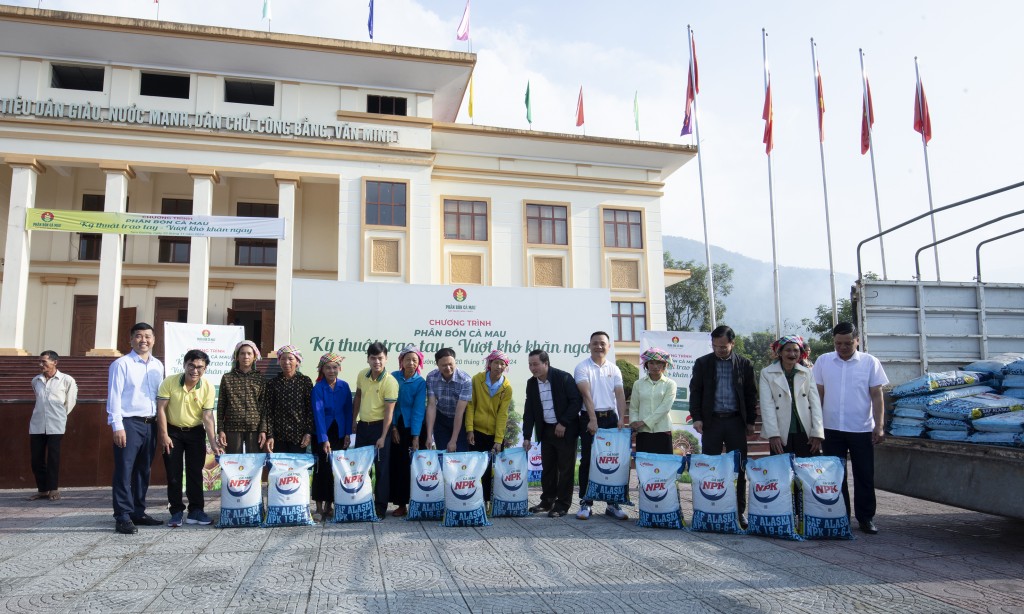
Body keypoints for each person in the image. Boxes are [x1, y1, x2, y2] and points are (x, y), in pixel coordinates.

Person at [813, 322, 889, 535]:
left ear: (857, 341)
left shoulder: (870, 362)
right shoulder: (823, 361)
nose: (843, 347)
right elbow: (817, 394)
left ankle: (866, 518)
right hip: (831, 428)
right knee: (835, 476)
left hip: (861, 428)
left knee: (864, 474)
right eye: (838, 343)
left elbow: (877, 395)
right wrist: (815, 426)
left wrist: (879, 425)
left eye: (848, 343)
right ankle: (840, 516)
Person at [689, 325, 757, 526]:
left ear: (732, 344)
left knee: (739, 468)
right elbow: (696, 392)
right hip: (712, 422)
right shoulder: (703, 363)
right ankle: (712, 508)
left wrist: (751, 421)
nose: (719, 350)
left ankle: (738, 512)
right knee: (711, 466)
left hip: (736, 422)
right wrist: (697, 417)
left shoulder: (744, 364)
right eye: (716, 346)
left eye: (724, 347)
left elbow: (751, 394)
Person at [107, 322, 165, 535]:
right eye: (139, 336)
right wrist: (117, 426)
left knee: (143, 470)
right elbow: (114, 396)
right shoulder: (121, 364)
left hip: (151, 424)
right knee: (124, 469)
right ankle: (122, 515)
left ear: (154, 339)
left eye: (148, 336)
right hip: (129, 423)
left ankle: (138, 512)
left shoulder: (158, 365)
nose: (144, 340)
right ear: (131, 340)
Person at [156, 349, 221, 527]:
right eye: (191, 365)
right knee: (174, 474)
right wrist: (163, 435)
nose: (195, 370)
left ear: (205, 368)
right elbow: (161, 409)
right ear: (184, 365)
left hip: (195, 433)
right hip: (172, 433)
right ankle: (176, 511)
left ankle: (196, 511)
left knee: (195, 473)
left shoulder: (207, 387)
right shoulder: (170, 381)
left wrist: (213, 442)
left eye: (200, 367)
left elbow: (208, 417)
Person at [574, 331, 628, 520]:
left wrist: (622, 418)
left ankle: (612, 503)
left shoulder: (614, 369)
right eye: (595, 343)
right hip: (589, 418)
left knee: (611, 460)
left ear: (608, 346)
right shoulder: (582, 367)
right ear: (589, 345)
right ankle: (585, 503)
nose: (599, 346)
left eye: (602, 343)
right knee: (588, 460)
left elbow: (620, 394)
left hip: (611, 418)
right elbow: (586, 395)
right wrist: (593, 420)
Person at [523, 350, 582, 517]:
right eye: (530, 364)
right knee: (548, 468)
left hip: (565, 430)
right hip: (546, 430)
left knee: (565, 469)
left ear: (546, 363)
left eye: (535, 364)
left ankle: (562, 504)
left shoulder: (563, 377)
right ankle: (547, 501)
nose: (532, 368)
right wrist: (527, 436)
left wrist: (563, 422)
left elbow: (576, 401)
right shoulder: (531, 383)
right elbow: (529, 411)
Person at [352, 342, 399, 519]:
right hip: (363, 426)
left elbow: (389, 413)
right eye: (373, 358)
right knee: (360, 468)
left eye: (380, 358)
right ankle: (360, 502)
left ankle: (380, 507)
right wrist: (353, 421)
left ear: (386, 359)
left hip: (381, 429)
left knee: (381, 470)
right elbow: (358, 397)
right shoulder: (361, 375)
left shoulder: (390, 382)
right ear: (368, 359)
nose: (376, 362)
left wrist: (383, 436)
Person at [759, 335, 824, 458]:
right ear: (780, 352)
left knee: (808, 472)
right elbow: (767, 405)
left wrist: (817, 432)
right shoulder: (767, 373)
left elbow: (815, 403)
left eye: (796, 350)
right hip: (781, 432)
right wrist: (773, 434)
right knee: (783, 473)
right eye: (788, 350)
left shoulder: (807, 372)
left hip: (805, 430)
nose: (792, 354)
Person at [28, 350, 78, 502]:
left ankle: (53, 489)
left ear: (55, 362)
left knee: (53, 458)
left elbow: (70, 402)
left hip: (56, 424)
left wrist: (61, 416)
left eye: (44, 361)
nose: (41, 364)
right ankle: (42, 490)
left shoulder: (66, 380)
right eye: (40, 361)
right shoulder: (35, 380)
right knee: (36, 459)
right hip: (37, 424)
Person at [466, 349, 513, 505]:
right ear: (489, 363)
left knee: (492, 471)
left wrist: (499, 439)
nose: (499, 367)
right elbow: (471, 406)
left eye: (502, 364)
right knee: (475, 468)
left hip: (494, 434)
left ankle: (488, 502)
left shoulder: (507, 387)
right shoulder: (477, 380)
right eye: (496, 363)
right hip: (477, 432)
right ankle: (473, 501)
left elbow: (502, 415)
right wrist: (470, 429)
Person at [311, 352, 353, 522]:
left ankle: (331, 505)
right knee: (322, 470)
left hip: (340, 433)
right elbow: (318, 413)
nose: (331, 371)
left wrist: (348, 433)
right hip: (323, 433)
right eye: (328, 367)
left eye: (335, 367)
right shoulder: (318, 388)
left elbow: (348, 411)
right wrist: (324, 438)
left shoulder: (344, 386)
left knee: (336, 470)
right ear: (322, 369)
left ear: (339, 369)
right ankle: (319, 507)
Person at [389, 344, 426, 518]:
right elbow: (391, 404)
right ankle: (401, 504)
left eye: (414, 360)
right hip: (397, 426)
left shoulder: (420, 382)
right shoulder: (393, 377)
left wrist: (416, 437)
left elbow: (419, 410)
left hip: (414, 428)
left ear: (418, 362)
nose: (411, 363)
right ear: (401, 361)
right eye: (407, 359)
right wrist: (394, 427)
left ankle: (419, 502)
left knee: (415, 467)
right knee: (398, 465)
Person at [259, 344, 313, 454]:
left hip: (299, 437)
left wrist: (308, 432)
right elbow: (268, 411)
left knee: (296, 470)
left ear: (297, 361)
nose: (286, 362)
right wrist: (270, 435)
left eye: (290, 359)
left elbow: (310, 409)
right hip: (278, 437)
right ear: (279, 361)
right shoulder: (273, 383)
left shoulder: (305, 381)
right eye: (283, 359)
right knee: (280, 469)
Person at [217, 340, 266, 454]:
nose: (246, 356)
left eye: (249, 353)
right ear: (237, 357)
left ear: (254, 357)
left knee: (254, 464)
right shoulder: (227, 378)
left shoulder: (260, 378)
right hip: (232, 428)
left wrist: (263, 430)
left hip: (254, 428)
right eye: (242, 353)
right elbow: (221, 405)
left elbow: (264, 407)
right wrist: (220, 430)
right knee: (233, 464)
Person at [424, 348, 473, 452]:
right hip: (441, 418)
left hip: (460, 420)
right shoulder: (431, 377)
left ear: (455, 362)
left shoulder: (465, 380)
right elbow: (431, 406)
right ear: (437, 364)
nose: (448, 368)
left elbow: (459, 413)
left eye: (451, 364)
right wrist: (429, 435)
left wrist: (453, 440)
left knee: (460, 454)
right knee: (442, 454)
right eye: (444, 365)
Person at [629, 348, 677, 455]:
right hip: (643, 432)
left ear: (664, 365)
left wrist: (644, 422)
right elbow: (634, 407)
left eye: (659, 363)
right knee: (644, 466)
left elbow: (665, 408)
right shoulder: (638, 384)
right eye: (651, 363)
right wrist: (634, 423)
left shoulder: (670, 384)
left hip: (663, 431)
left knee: (664, 466)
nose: (655, 366)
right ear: (646, 365)